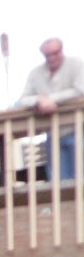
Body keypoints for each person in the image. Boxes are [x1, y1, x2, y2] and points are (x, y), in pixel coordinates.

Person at [19, 38, 83, 182]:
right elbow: (23, 99)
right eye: (47, 55)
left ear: (62, 51)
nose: (52, 58)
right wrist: (38, 101)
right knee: (58, 183)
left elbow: (81, 90)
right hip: (52, 134)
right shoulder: (36, 73)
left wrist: (52, 99)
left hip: (78, 130)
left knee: (81, 178)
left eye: (55, 53)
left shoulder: (76, 64)